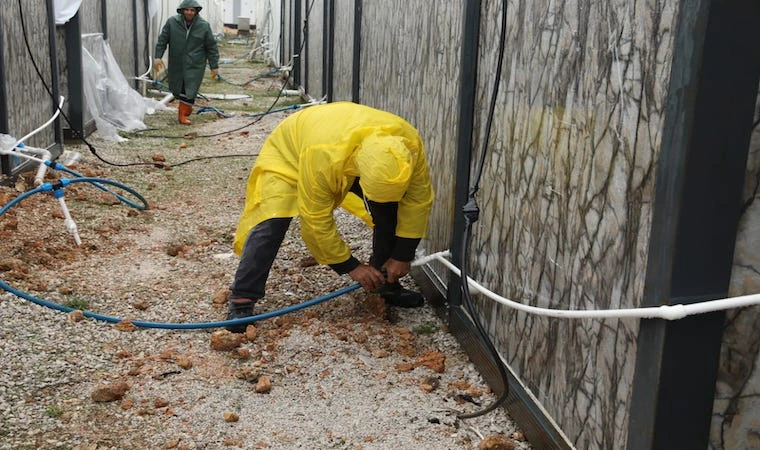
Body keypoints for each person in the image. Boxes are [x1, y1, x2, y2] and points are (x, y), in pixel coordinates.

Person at [226, 102, 435, 333]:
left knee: (389, 211)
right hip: (293, 150)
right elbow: (315, 218)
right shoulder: (323, 158)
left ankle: (385, 283)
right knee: (273, 219)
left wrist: (402, 255)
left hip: (346, 145)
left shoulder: (408, 147)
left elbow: (417, 202)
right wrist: (350, 266)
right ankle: (242, 298)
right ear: (360, 170)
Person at [154, 0, 219, 125]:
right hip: (177, 62)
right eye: (187, 10)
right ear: (182, 10)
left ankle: (183, 114)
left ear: (196, 12)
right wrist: (158, 57)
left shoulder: (203, 26)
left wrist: (214, 66)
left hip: (195, 64)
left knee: (190, 88)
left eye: (192, 10)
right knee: (178, 88)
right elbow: (163, 40)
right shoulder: (172, 23)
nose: (189, 12)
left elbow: (211, 47)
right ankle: (183, 113)